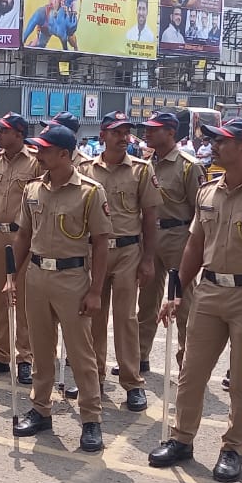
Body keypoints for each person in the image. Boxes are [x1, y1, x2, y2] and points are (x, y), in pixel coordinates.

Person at [148, 118, 242, 483]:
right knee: (191, 371)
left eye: (222, 141)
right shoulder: (208, 192)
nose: (213, 146)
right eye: (213, 141)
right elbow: (195, 246)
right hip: (210, 292)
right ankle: (182, 438)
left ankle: (233, 448)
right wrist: (177, 291)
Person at [8, 124, 111, 451]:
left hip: (72, 278)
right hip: (37, 275)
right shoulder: (33, 190)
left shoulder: (90, 192)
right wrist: (13, 278)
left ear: (64, 154)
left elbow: (102, 243)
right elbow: (23, 235)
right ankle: (41, 409)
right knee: (40, 348)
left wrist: (95, 290)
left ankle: (91, 420)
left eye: (45, 149)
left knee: (81, 354)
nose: (38, 153)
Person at [79, 112, 161, 411]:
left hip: (128, 251)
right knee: (92, 317)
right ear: (103, 135)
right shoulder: (85, 169)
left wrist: (148, 259)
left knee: (126, 319)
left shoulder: (141, 170)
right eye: (117, 132)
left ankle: (132, 382)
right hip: (94, 252)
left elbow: (151, 217)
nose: (124, 137)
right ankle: (94, 377)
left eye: (127, 132)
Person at [0, 113, 41, 383]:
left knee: (23, 298)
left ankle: (24, 356)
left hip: (23, 237)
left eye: (4, 130)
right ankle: (0, 353)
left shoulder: (36, 162)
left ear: (19, 134)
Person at [136, 112, 205, 370]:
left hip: (179, 236)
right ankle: (140, 356)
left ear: (171, 133)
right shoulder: (146, 164)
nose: (148, 133)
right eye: (147, 128)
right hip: (151, 236)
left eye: (154, 129)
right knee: (146, 301)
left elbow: (200, 210)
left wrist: (194, 246)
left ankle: (187, 360)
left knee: (184, 303)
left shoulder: (189, 165)